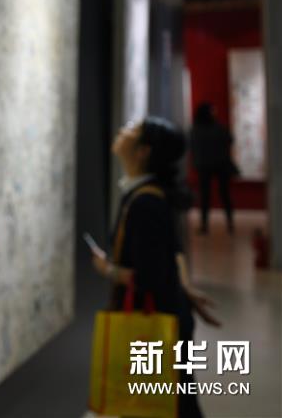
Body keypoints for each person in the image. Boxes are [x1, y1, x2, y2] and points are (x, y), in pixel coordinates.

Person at [91, 116, 220, 418]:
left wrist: (106, 269)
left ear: (143, 151)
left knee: (168, 405)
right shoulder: (148, 195)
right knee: (174, 403)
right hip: (169, 314)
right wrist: (184, 288)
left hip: (157, 321)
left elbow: (148, 277)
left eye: (132, 130)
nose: (122, 131)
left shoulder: (144, 202)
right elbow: (174, 252)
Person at [190, 102, 235, 233]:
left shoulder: (196, 130)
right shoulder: (218, 128)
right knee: (223, 194)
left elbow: (192, 147)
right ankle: (229, 224)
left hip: (205, 165)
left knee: (206, 195)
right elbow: (230, 140)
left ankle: (205, 225)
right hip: (220, 164)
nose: (214, 113)